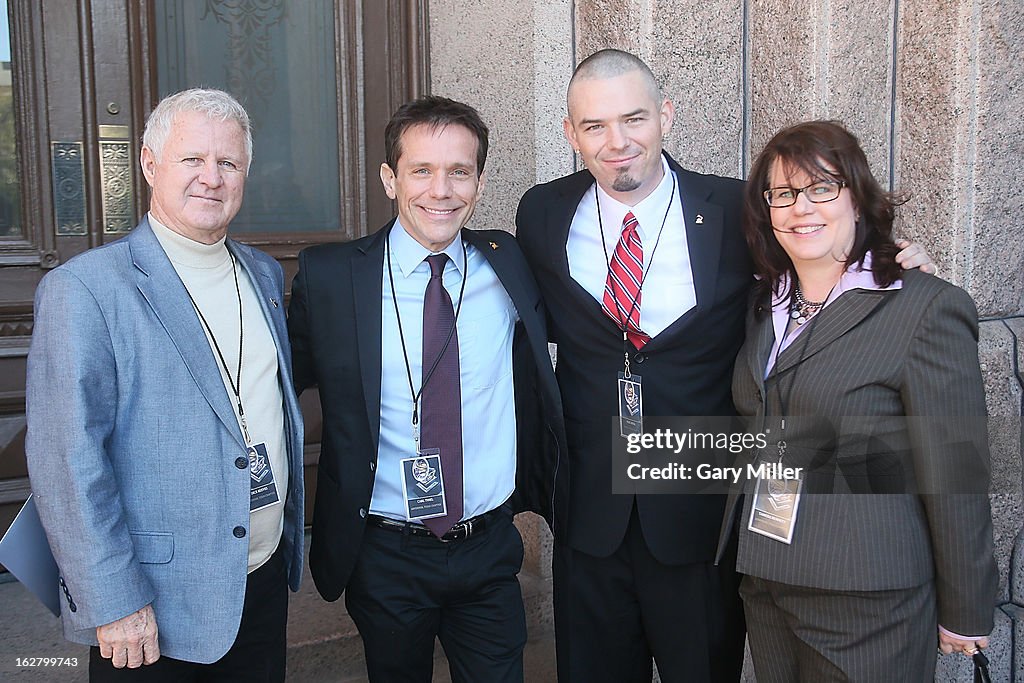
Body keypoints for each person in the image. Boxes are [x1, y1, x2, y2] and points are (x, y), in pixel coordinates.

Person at [515, 48, 934, 682]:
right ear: (569, 133)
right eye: (594, 126)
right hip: (589, 515)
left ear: (666, 117)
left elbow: (816, 257)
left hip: (701, 512)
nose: (617, 142)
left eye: (634, 119)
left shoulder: (737, 208)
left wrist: (889, 262)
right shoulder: (542, 212)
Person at [25, 88, 305, 680]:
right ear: (151, 164)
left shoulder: (262, 272)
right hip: (150, 604)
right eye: (192, 160)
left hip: (258, 579)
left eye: (227, 163)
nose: (211, 178)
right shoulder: (87, 290)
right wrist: (113, 599)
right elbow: (66, 462)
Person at [288, 95, 566, 683]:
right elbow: (277, 384)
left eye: (459, 172)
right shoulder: (332, 277)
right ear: (390, 179)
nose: (441, 191)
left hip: (489, 547)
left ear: (479, 182)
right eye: (421, 170)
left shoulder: (508, 263)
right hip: (385, 551)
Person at [718, 120, 997, 680]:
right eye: (784, 194)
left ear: (857, 196)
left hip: (867, 591)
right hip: (769, 578)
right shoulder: (761, 306)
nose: (802, 208)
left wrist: (966, 608)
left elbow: (956, 469)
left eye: (823, 188)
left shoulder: (922, 306)